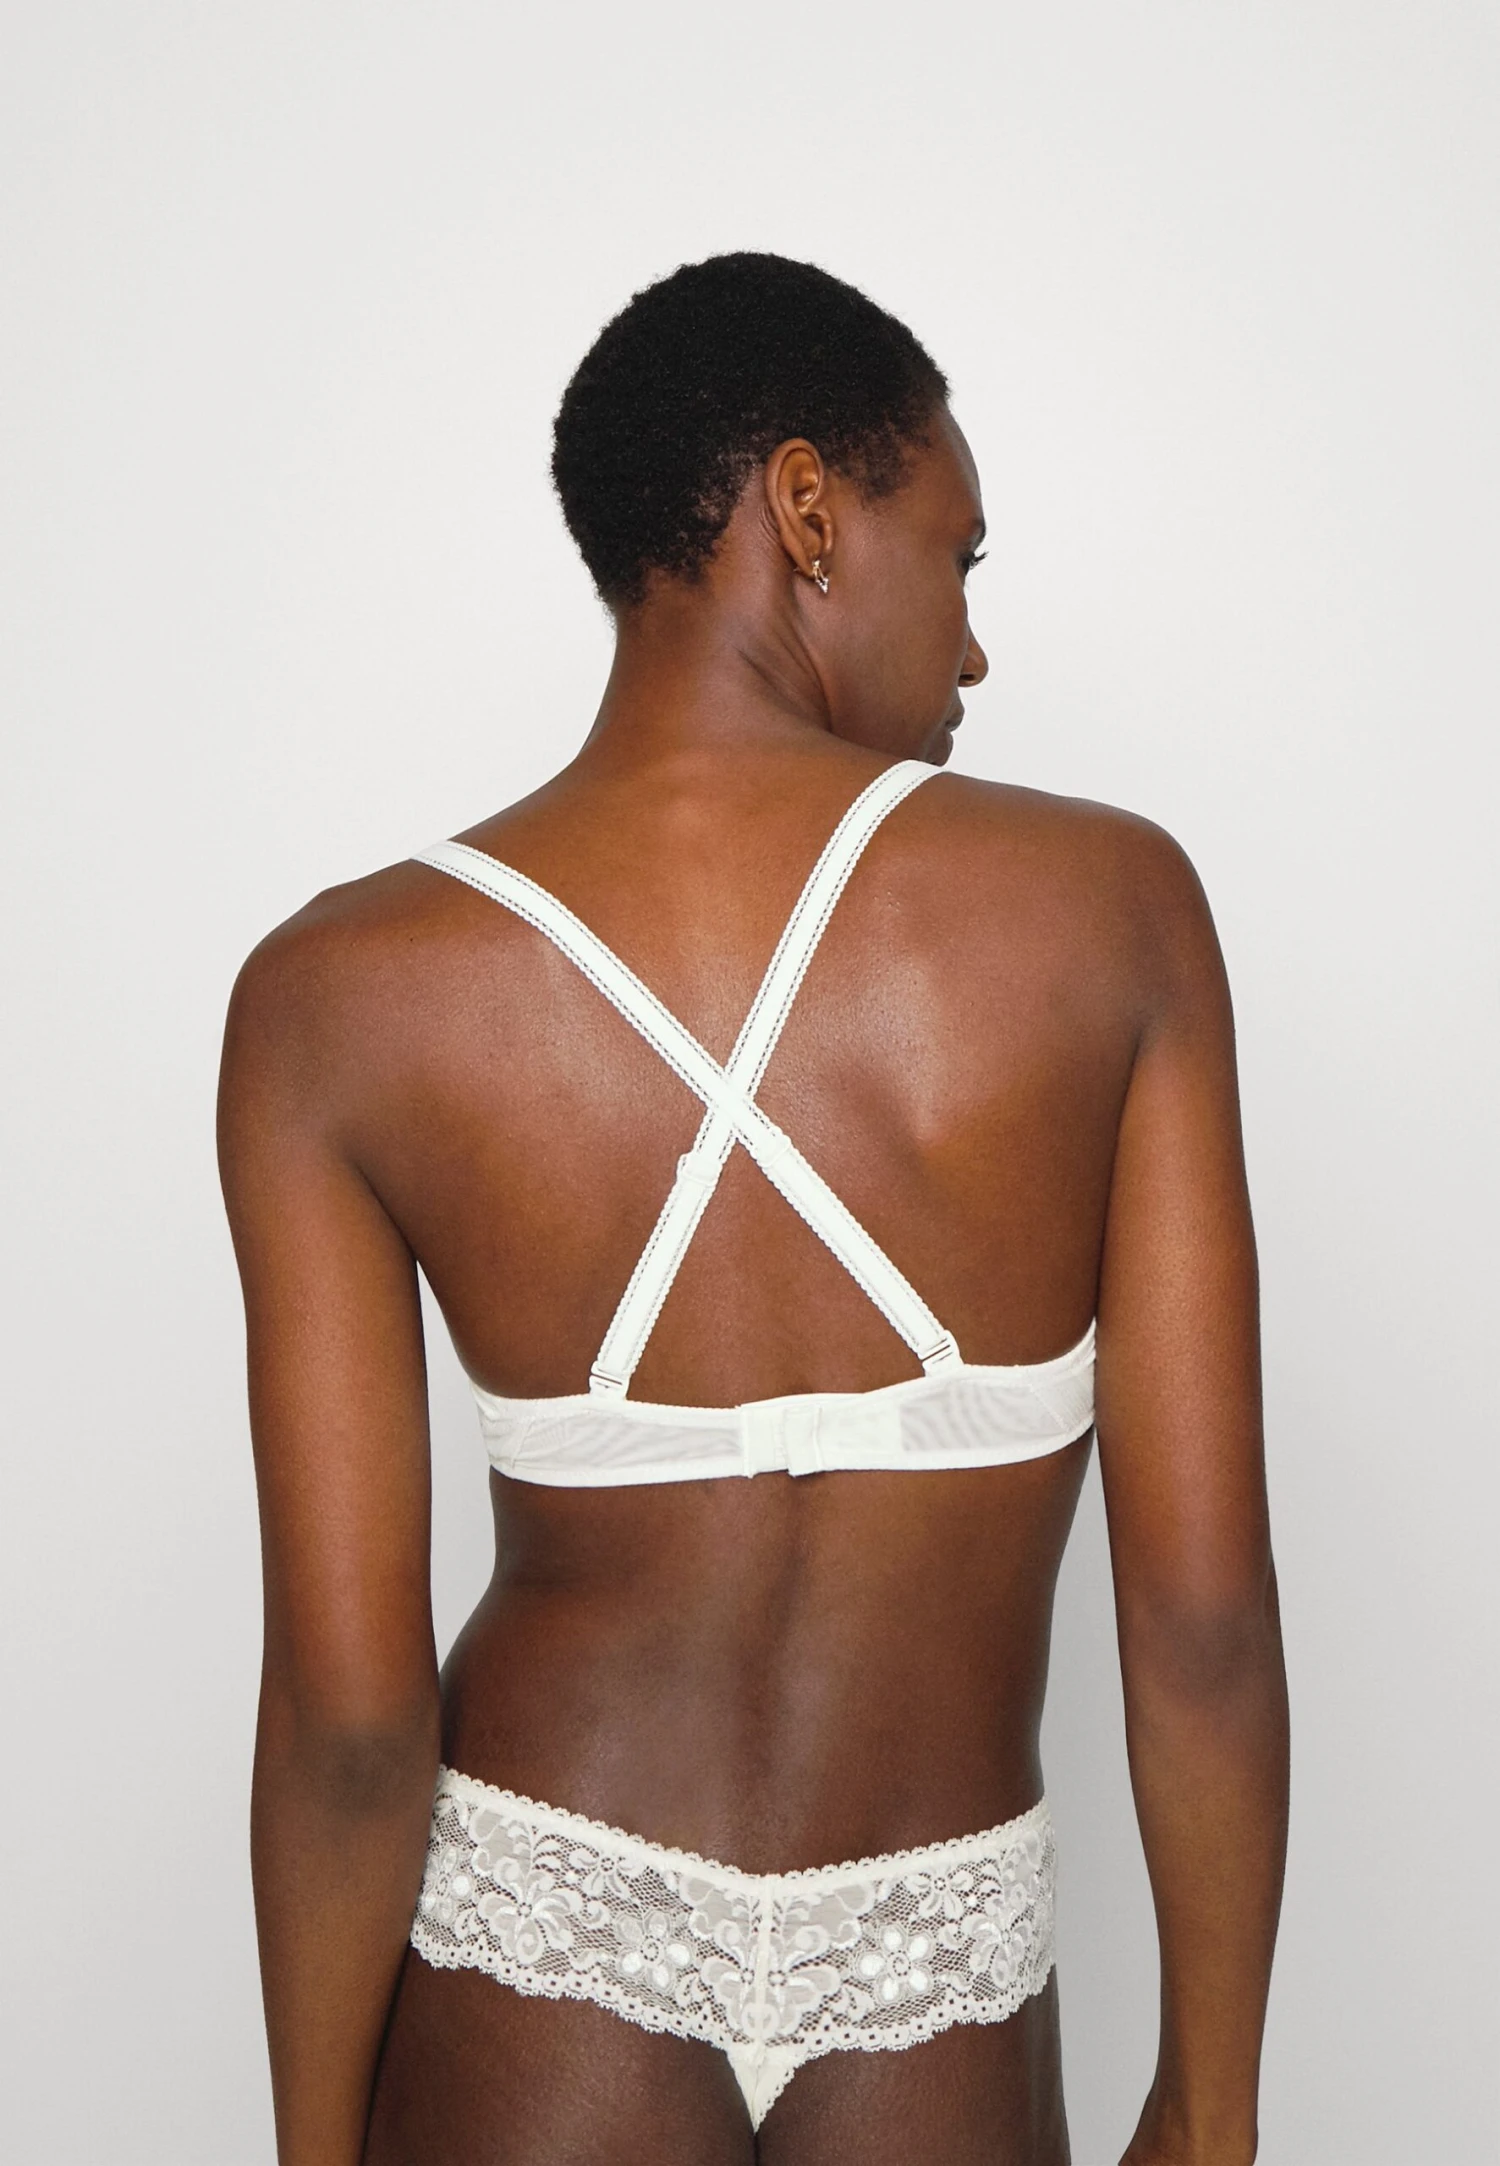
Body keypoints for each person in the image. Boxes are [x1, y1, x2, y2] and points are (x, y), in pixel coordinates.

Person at [219, 252, 1288, 2166]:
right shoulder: (1115, 915)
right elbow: (1201, 1616)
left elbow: (351, 1716)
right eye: (960, 556)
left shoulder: (339, 996)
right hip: (936, 1949)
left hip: (539, 1931)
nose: (974, 650)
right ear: (807, 511)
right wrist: (1211, 2116)